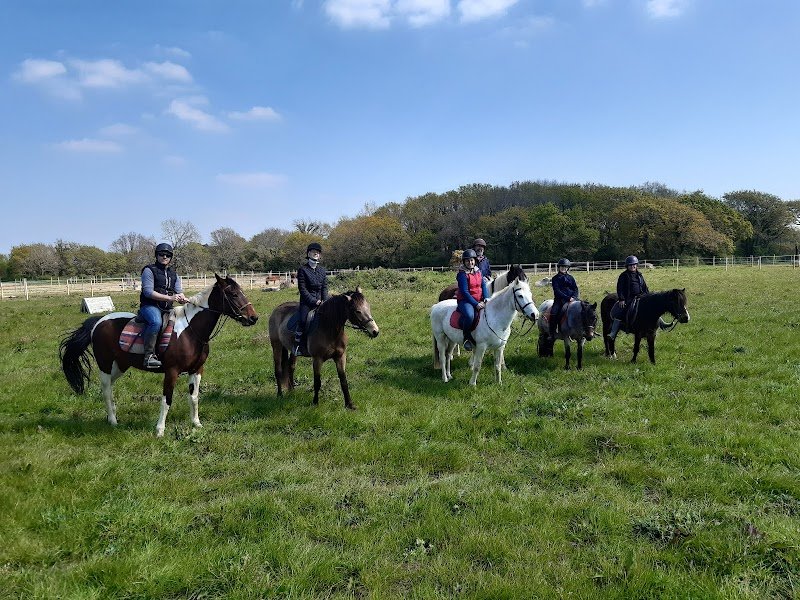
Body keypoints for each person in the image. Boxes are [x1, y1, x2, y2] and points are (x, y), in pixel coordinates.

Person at [138, 243, 187, 369]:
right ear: (156, 255)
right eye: (161, 254)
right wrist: (170, 298)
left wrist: (182, 298)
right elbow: (148, 292)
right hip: (150, 306)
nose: (164, 256)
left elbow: (178, 291)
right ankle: (148, 357)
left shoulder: (174, 274)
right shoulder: (149, 270)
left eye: (168, 255)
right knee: (155, 322)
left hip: (167, 308)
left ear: (171, 257)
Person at [294, 242, 328, 356]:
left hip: (321, 301)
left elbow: (324, 287)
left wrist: (325, 301)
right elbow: (302, 289)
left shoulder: (322, 270)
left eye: (318, 252)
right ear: (308, 253)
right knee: (303, 320)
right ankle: (297, 345)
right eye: (314, 251)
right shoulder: (302, 270)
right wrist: (314, 301)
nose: (316, 253)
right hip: (307, 302)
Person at [456, 249, 490, 351]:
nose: (470, 262)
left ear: (475, 260)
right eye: (467, 261)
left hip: (479, 299)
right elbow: (465, 292)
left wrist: (486, 298)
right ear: (464, 262)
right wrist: (476, 304)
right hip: (465, 301)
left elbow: (483, 285)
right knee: (470, 315)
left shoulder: (478, 271)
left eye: (471, 260)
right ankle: (466, 338)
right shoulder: (462, 274)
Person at [609, 255, 650, 340]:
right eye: (630, 265)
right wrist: (621, 299)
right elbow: (619, 288)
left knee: (651, 307)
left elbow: (645, 287)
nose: (632, 266)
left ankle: (660, 324)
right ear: (627, 266)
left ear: (636, 265)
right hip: (629, 298)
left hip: (641, 297)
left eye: (634, 264)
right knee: (621, 311)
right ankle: (613, 332)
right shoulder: (623, 276)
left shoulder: (639, 275)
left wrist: (648, 296)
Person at [549, 258, 579, 340]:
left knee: (583, 309)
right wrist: (568, 298)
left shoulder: (571, 278)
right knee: (554, 312)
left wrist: (574, 297)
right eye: (562, 267)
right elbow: (557, 291)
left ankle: (583, 330)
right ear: (559, 267)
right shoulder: (555, 278)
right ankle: (552, 333)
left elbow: (575, 288)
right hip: (560, 300)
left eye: (565, 267)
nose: (564, 268)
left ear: (568, 268)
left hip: (573, 299)